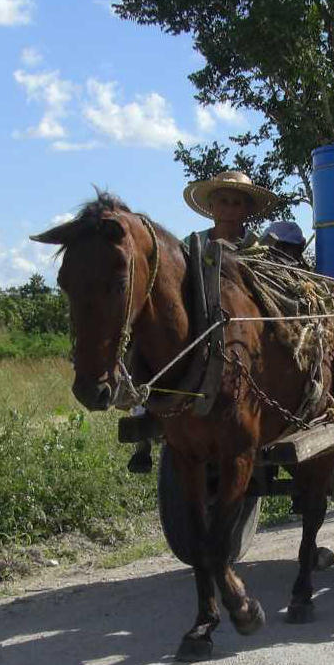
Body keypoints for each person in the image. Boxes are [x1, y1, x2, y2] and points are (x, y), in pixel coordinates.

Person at [128, 170, 279, 473]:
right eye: (223, 201)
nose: (229, 208)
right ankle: (141, 419)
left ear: (247, 209)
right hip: (197, 324)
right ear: (211, 207)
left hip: (239, 328)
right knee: (144, 349)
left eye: (237, 202)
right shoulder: (189, 245)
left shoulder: (258, 249)